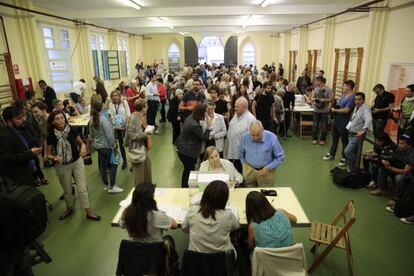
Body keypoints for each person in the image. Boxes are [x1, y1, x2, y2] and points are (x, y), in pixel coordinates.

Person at [46, 110, 101, 221]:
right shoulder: (51, 136)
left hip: (77, 162)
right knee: (67, 190)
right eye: (57, 119)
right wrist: (54, 157)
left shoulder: (71, 129)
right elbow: (48, 154)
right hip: (62, 165)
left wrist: (83, 148)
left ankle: (88, 211)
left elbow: (81, 143)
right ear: (52, 122)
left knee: (82, 188)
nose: (60, 120)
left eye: (62, 118)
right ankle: (69, 208)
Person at [182, 180, 239, 256]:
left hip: (196, 259)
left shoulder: (193, 211)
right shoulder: (228, 215)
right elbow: (236, 226)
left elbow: (184, 228)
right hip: (222, 260)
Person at [0, 106, 42, 187]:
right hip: (18, 180)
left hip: (26, 172)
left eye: (23, 116)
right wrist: (29, 154)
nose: (24, 119)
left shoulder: (16, 130)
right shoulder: (4, 136)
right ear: (9, 121)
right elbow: (5, 159)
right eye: (19, 118)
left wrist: (31, 164)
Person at [89, 98, 122, 193]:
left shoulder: (91, 119)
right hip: (107, 146)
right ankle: (112, 186)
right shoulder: (103, 119)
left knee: (102, 165)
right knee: (114, 164)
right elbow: (109, 134)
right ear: (101, 107)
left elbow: (91, 134)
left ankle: (106, 184)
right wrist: (113, 145)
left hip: (98, 146)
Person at [176, 103, 212, 188]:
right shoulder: (195, 125)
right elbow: (204, 137)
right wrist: (209, 126)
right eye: (206, 112)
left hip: (182, 148)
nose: (207, 113)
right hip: (187, 152)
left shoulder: (191, 117)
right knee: (189, 171)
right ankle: (185, 188)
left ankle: (184, 187)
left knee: (187, 170)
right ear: (201, 112)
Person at [240, 120, 285, 187]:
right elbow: (241, 153)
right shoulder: (245, 137)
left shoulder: (272, 138)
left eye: (258, 134)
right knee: (250, 194)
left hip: (266, 172)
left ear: (262, 129)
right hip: (249, 171)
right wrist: (244, 165)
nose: (255, 138)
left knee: (264, 195)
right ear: (249, 131)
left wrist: (269, 167)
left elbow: (280, 157)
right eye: (253, 135)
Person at [323, 80, 356, 166]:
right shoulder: (343, 95)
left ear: (349, 87)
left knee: (344, 140)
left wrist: (335, 110)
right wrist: (332, 107)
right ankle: (331, 154)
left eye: (344, 86)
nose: (343, 87)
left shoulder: (352, 97)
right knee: (334, 138)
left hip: (344, 121)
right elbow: (339, 105)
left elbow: (347, 110)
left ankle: (345, 157)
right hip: (337, 119)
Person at [124, 99, 153, 186]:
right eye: (146, 106)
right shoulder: (135, 118)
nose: (147, 107)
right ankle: (140, 195)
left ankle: (147, 190)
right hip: (137, 150)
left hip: (142, 148)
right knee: (140, 177)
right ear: (143, 108)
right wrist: (146, 134)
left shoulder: (139, 116)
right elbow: (133, 136)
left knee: (147, 169)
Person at [225, 97, 255, 174]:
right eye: (235, 106)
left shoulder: (251, 119)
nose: (235, 108)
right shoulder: (236, 115)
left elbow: (253, 139)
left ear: (244, 107)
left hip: (241, 156)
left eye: (237, 107)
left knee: (240, 175)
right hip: (231, 152)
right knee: (231, 174)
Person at [344, 92, 372, 173]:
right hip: (351, 133)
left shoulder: (365, 108)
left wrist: (364, 130)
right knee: (354, 153)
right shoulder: (357, 107)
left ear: (363, 100)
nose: (357, 101)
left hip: (357, 136)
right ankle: (353, 170)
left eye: (359, 99)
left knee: (347, 152)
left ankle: (351, 169)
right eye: (355, 99)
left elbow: (369, 119)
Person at [108, 90, 131, 170]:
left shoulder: (124, 103)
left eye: (116, 95)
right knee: (121, 145)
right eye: (113, 96)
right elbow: (112, 116)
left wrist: (124, 124)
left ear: (119, 95)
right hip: (117, 128)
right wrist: (116, 126)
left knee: (129, 144)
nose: (115, 97)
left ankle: (132, 162)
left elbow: (128, 114)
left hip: (126, 127)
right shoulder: (110, 104)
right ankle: (125, 161)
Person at [311, 76, 333, 145]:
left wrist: (324, 100)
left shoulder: (328, 89)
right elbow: (312, 97)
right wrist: (314, 99)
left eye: (316, 81)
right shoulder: (316, 89)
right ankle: (314, 138)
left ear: (320, 81)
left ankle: (322, 139)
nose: (315, 82)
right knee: (315, 125)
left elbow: (331, 99)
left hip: (324, 111)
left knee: (324, 126)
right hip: (316, 111)